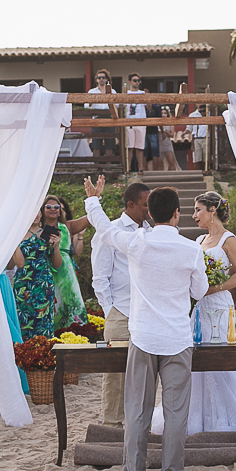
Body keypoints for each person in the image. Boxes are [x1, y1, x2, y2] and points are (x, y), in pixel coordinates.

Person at [83, 176, 208, 471]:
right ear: (176, 213)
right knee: (176, 412)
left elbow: (105, 229)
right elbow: (199, 291)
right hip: (177, 338)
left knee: (137, 410)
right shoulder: (191, 249)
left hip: (143, 337)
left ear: (150, 213)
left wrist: (93, 201)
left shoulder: (137, 242)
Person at [152, 191, 236, 445]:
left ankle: (226, 420)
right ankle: (196, 420)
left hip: (218, 304)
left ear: (212, 210)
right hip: (199, 306)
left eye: (198, 210)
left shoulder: (229, 239)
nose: (194, 215)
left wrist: (215, 288)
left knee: (220, 361)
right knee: (196, 361)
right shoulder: (200, 240)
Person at [91, 182, 152, 427]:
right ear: (130, 204)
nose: (149, 210)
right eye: (145, 205)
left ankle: (139, 425)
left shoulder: (151, 231)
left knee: (145, 373)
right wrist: (110, 310)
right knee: (115, 374)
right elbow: (100, 277)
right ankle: (112, 426)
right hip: (121, 312)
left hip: (147, 314)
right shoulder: (112, 230)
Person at [13, 208, 64, 340]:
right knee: (23, 320)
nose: (35, 215)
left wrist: (56, 246)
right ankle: (23, 351)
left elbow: (57, 264)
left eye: (37, 211)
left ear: (41, 213)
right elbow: (14, 264)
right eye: (31, 211)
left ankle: (44, 351)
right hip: (23, 284)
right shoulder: (18, 234)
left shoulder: (48, 233)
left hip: (43, 284)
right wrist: (13, 243)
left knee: (43, 322)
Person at [40, 195, 88, 331]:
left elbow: (90, 218)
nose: (53, 209)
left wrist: (94, 199)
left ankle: (74, 335)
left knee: (70, 302)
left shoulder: (67, 226)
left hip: (66, 273)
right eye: (48, 207)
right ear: (42, 209)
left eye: (56, 207)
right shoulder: (38, 228)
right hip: (46, 270)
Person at [124, 73, 147, 172]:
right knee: (129, 147)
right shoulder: (126, 93)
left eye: (138, 81)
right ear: (129, 81)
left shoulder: (142, 93)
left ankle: (140, 168)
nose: (137, 82)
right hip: (129, 122)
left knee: (139, 147)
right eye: (134, 80)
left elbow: (148, 107)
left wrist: (147, 98)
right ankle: (128, 168)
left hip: (141, 122)